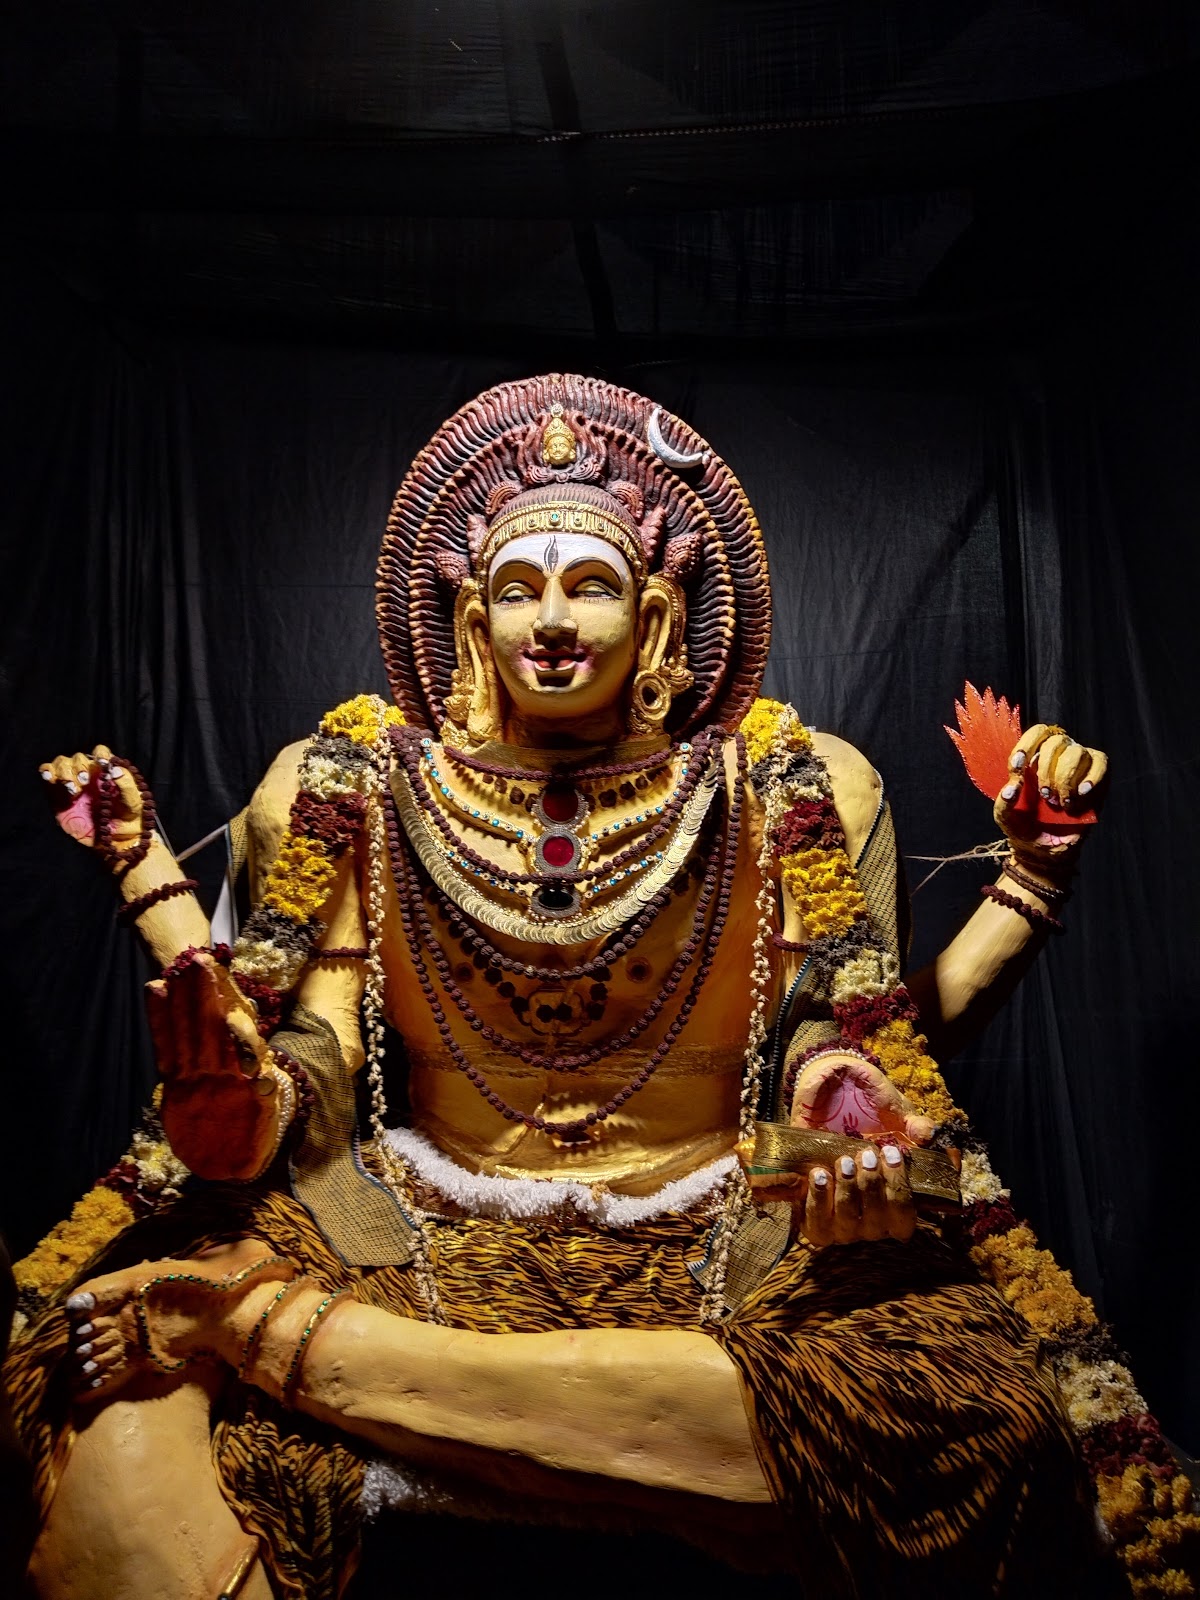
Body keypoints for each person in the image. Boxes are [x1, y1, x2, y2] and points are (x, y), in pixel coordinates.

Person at [14, 377, 1114, 1599]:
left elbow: (846, 1042)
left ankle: (267, 1334)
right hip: (417, 1225)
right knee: (101, 1418)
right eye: (516, 587)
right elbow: (315, 1073)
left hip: (713, 1230)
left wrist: (861, 1112)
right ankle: (296, 1342)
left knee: (972, 1424)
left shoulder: (792, 786)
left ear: (655, 616)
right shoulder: (350, 784)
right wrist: (238, 1099)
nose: (549, 619)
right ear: (471, 618)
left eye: (586, 585)